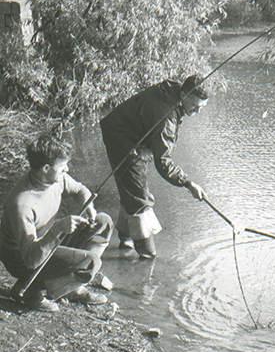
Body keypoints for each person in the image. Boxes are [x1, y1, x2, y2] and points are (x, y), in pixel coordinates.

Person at [0, 134, 114, 312]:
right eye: (62, 166)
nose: (66, 169)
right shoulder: (21, 204)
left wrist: (89, 208)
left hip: (46, 240)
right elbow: (31, 259)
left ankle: (68, 284)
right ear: (46, 168)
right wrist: (58, 229)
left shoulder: (56, 178)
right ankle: (35, 290)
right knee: (91, 262)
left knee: (103, 222)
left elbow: (80, 190)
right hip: (22, 259)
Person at [100, 74, 209, 258]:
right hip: (122, 140)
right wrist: (189, 184)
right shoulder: (167, 115)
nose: (196, 111)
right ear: (183, 95)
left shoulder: (173, 91)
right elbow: (163, 161)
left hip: (124, 132)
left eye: (201, 107)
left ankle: (125, 241)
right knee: (140, 198)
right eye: (194, 106)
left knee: (132, 189)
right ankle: (147, 255)